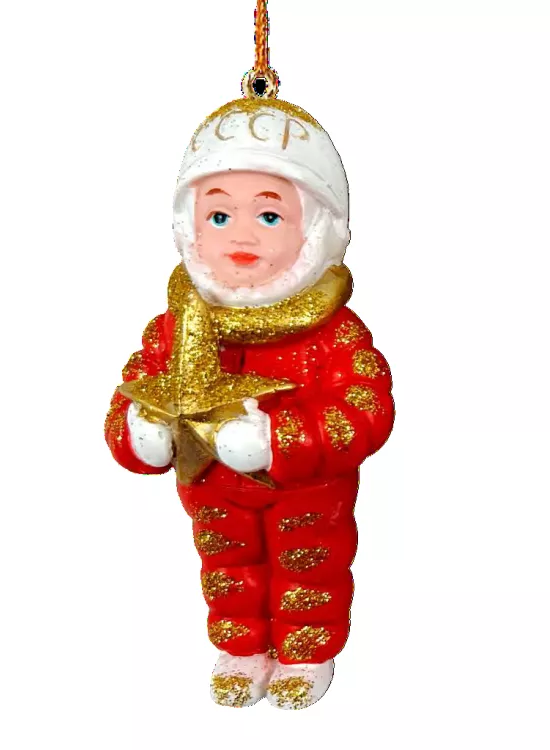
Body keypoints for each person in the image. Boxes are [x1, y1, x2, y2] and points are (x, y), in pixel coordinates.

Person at [105, 98, 394, 709]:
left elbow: (365, 410)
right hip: (213, 493)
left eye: (268, 215)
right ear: (188, 228)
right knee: (227, 570)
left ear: (314, 230)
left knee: (309, 569)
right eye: (218, 215)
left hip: (307, 499)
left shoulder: (333, 333)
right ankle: (241, 647)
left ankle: (306, 649)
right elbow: (135, 383)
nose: (240, 235)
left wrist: (279, 437)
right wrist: (139, 429)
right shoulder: (176, 326)